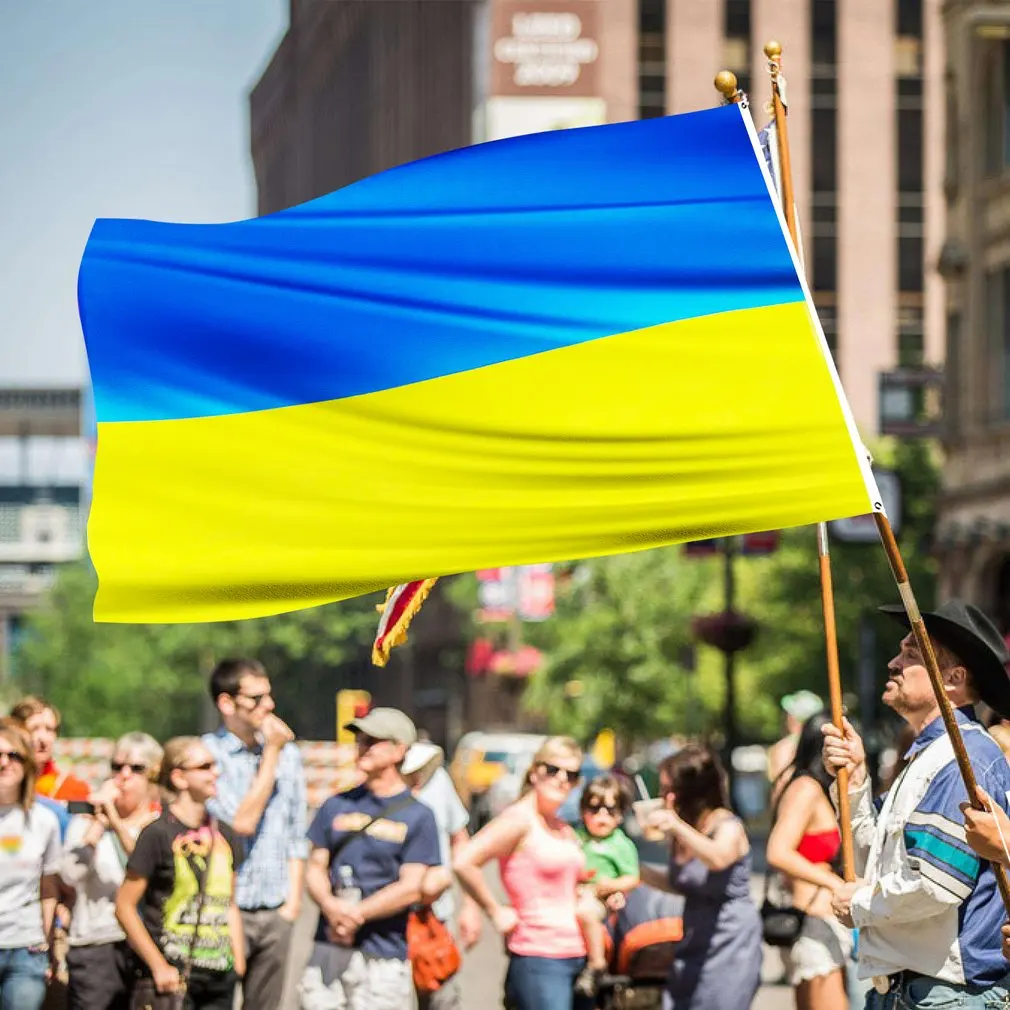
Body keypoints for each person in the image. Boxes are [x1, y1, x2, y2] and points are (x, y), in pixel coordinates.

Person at [822, 599, 1010, 1008]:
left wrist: (859, 903)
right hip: (910, 992)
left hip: (948, 995)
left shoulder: (966, 757)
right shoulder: (929, 756)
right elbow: (875, 860)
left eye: (911, 654)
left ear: (953, 679)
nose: (894, 662)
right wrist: (854, 780)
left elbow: (937, 884)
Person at [300, 707, 441, 1010]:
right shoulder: (335, 804)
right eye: (360, 739)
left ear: (398, 749)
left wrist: (357, 915)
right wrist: (331, 907)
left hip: (384, 952)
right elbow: (315, 867)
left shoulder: (419, 816)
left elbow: (411, 886)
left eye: (371, 740)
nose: (361, 746)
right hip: (329, 944)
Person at [453, 736, 593, 1010]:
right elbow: (464, 861)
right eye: (553, 769)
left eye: (572, 774)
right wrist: (494, 911)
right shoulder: (519, 819)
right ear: (534, 771)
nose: (562, 779)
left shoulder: (560, 825)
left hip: (576, 953)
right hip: (538, 956)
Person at [202, 657, 306, 1010]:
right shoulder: (207, 757)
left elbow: (296, 834)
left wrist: (291, 905)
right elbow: (241, 823)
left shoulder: (290, 755)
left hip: (276, 909)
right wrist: (272, 754)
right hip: (224, 909)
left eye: (269, 696)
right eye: (257, 699)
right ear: (226, 703)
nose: (270, 706)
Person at [116, 737, 246, 1010]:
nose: (216, 773)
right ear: (179, 777)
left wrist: (238, 959)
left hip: (219, 975)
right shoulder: (157, 834)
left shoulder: (226, 834)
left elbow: (229, 903)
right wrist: (158, 965)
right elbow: (124, 906)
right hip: (173, 976)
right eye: (205, 766)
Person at [642, 742, 762, 1010]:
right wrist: (635, 871)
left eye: (669, 789)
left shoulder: (728, 826)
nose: (664, 796)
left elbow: (718, 858)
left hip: (729, 941)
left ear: (692, 792)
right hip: (694, 939)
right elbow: (681, 883)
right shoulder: (686, 827)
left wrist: (676, 826)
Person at [60, 732, 162, 1010]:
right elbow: (69, 875)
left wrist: (115, 822)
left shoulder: (158, 826)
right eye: (117, 767)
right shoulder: (85, 824)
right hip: (95, 945)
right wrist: (98, 825)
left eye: (136, 769)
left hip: (144, 945)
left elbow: (151, 871)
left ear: (153, 776)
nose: (124, 775)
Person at [766, 713, 849, 1010]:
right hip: (814, 919)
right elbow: (778, 851)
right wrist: (833, 882)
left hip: (823, 920)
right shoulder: (806, 788)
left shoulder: (815, 788)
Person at [401, 741, 482, 1010]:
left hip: (434, 917)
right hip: (387, 923)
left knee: (442, 1000)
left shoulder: (438, 781)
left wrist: (470, 906)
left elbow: (461, 840)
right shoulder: (374, 789)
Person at [0, 715, 62, 1010]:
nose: (5, 763)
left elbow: (48, 887)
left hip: (26, 948)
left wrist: (46, 940)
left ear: (26, 763)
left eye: (13, 755)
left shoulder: (44, 820)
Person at [573, 774, 640, 995]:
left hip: (600, 899)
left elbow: (632, 877)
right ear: (583, 811)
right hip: (574, 893)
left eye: (610, 811)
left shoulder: (620, 843)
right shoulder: (576, 837)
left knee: (586, 912)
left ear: (620, 815)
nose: (602, 817)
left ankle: (596, 965)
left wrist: (610, 886)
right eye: (594, 809)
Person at [768, 691, 825, 794]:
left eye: (788, 714)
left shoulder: (784, 748)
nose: (785, 718)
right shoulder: (827, 745)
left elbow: (780, 788)